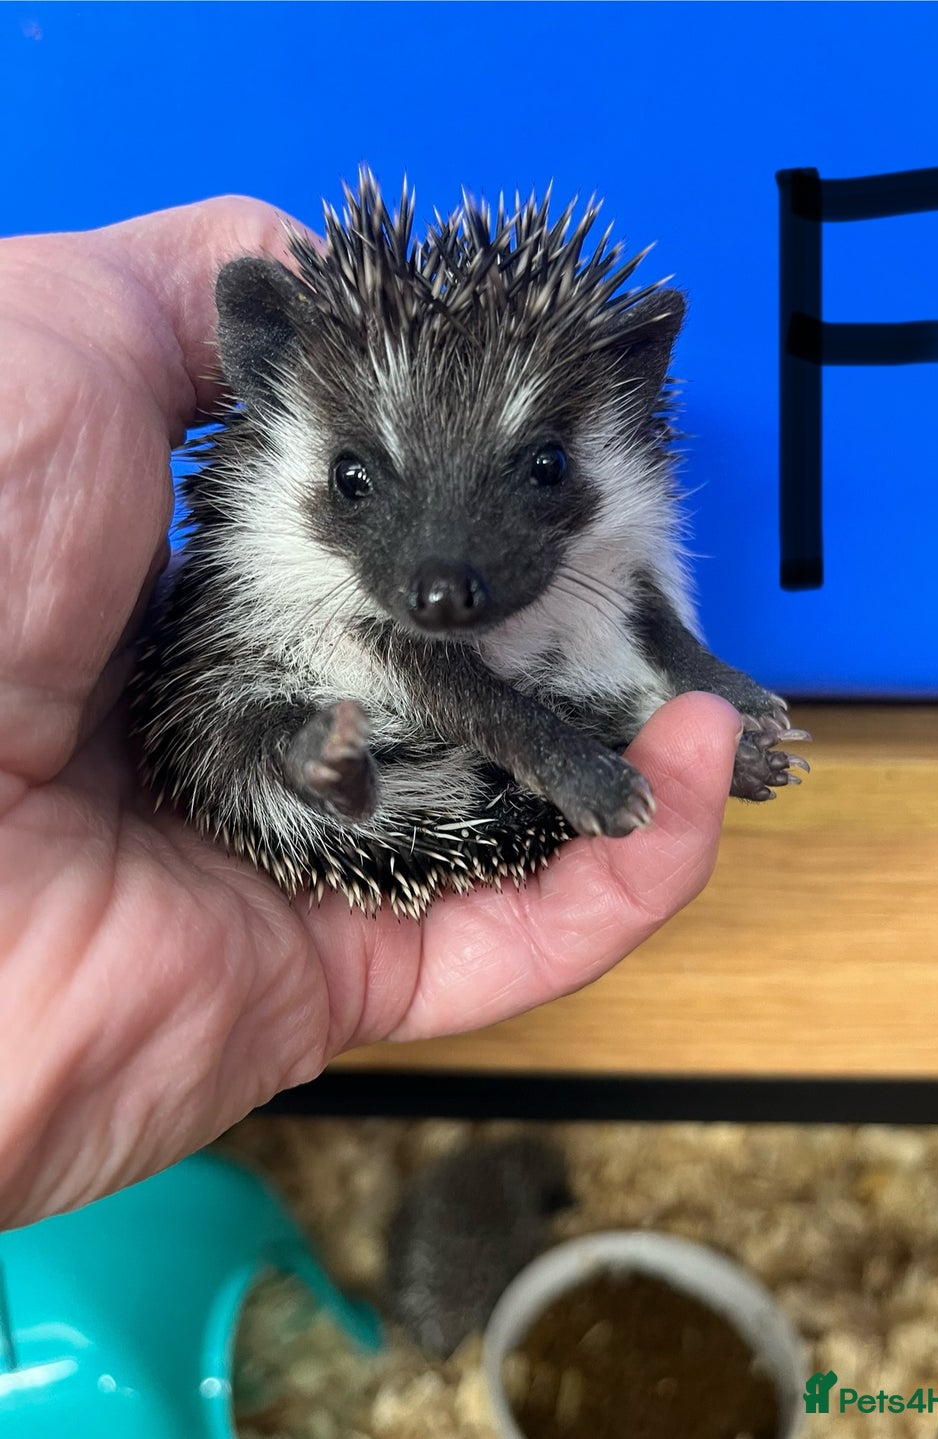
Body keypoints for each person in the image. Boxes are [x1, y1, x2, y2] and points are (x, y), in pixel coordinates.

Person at [0, 197, 741, 1231]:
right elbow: (418, 655)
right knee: (267, 733)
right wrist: (558, 751)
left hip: (474, 736)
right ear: (267, 371)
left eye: (540, 472)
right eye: (356, 480)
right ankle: (327, 770)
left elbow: (636, 612)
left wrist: (699, 686)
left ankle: (355, 773)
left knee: (622, 693)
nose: (447, 575)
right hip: (280, 702)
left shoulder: (614, 533)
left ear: (631, 385)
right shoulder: (304, 566)